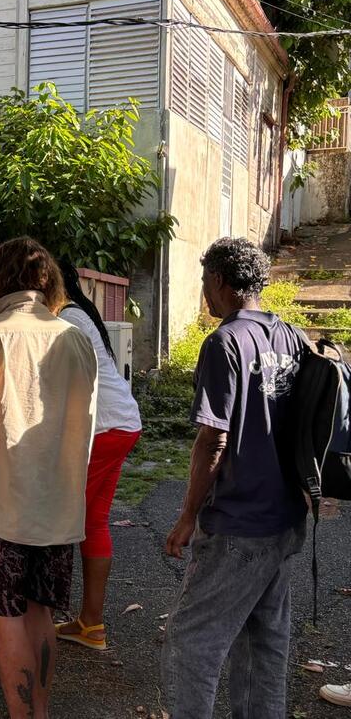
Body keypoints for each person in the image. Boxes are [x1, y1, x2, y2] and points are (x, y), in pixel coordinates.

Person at [0, 237, 97, 719]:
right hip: (58, 503)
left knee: (5, 613)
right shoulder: (74, 337)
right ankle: (38, 713)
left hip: (2, 503)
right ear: (48, 281)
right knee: (40, 609)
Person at [161, 238, 308, 719]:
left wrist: (188, 516)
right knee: (263, 642)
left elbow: (213, 439)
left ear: (220, 281)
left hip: (238, 523)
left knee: (191, 642)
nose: (204, 292)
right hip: (284, 520)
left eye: (205, 281)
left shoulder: (225, 342)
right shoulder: (290, 336)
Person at [53, 260, 142, 650]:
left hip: (102, 429)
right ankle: (91, 625)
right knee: (92, 521)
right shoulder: (79, 313)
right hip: (120, 423)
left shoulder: (66, 320)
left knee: (54, 523)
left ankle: (27, 627)